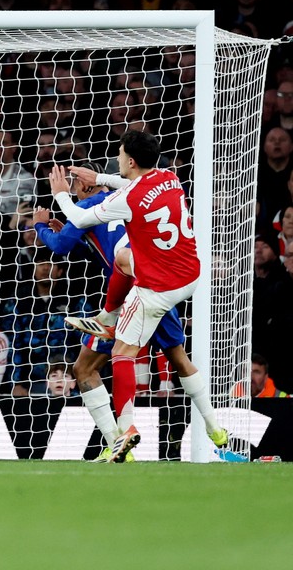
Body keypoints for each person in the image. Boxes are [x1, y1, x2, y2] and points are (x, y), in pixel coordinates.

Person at [49, 131, 227, 462]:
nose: (117, 160)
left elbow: (76, 220)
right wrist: (101, 177)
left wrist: (60, 196)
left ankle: (125, 431)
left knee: (121, 353)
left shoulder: (122, 201)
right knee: (176, 353)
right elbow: (133, 187)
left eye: (119, 155)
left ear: (129, 161)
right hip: (187, 274)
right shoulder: (170, 178)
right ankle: (216, 428)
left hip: (154, 290)